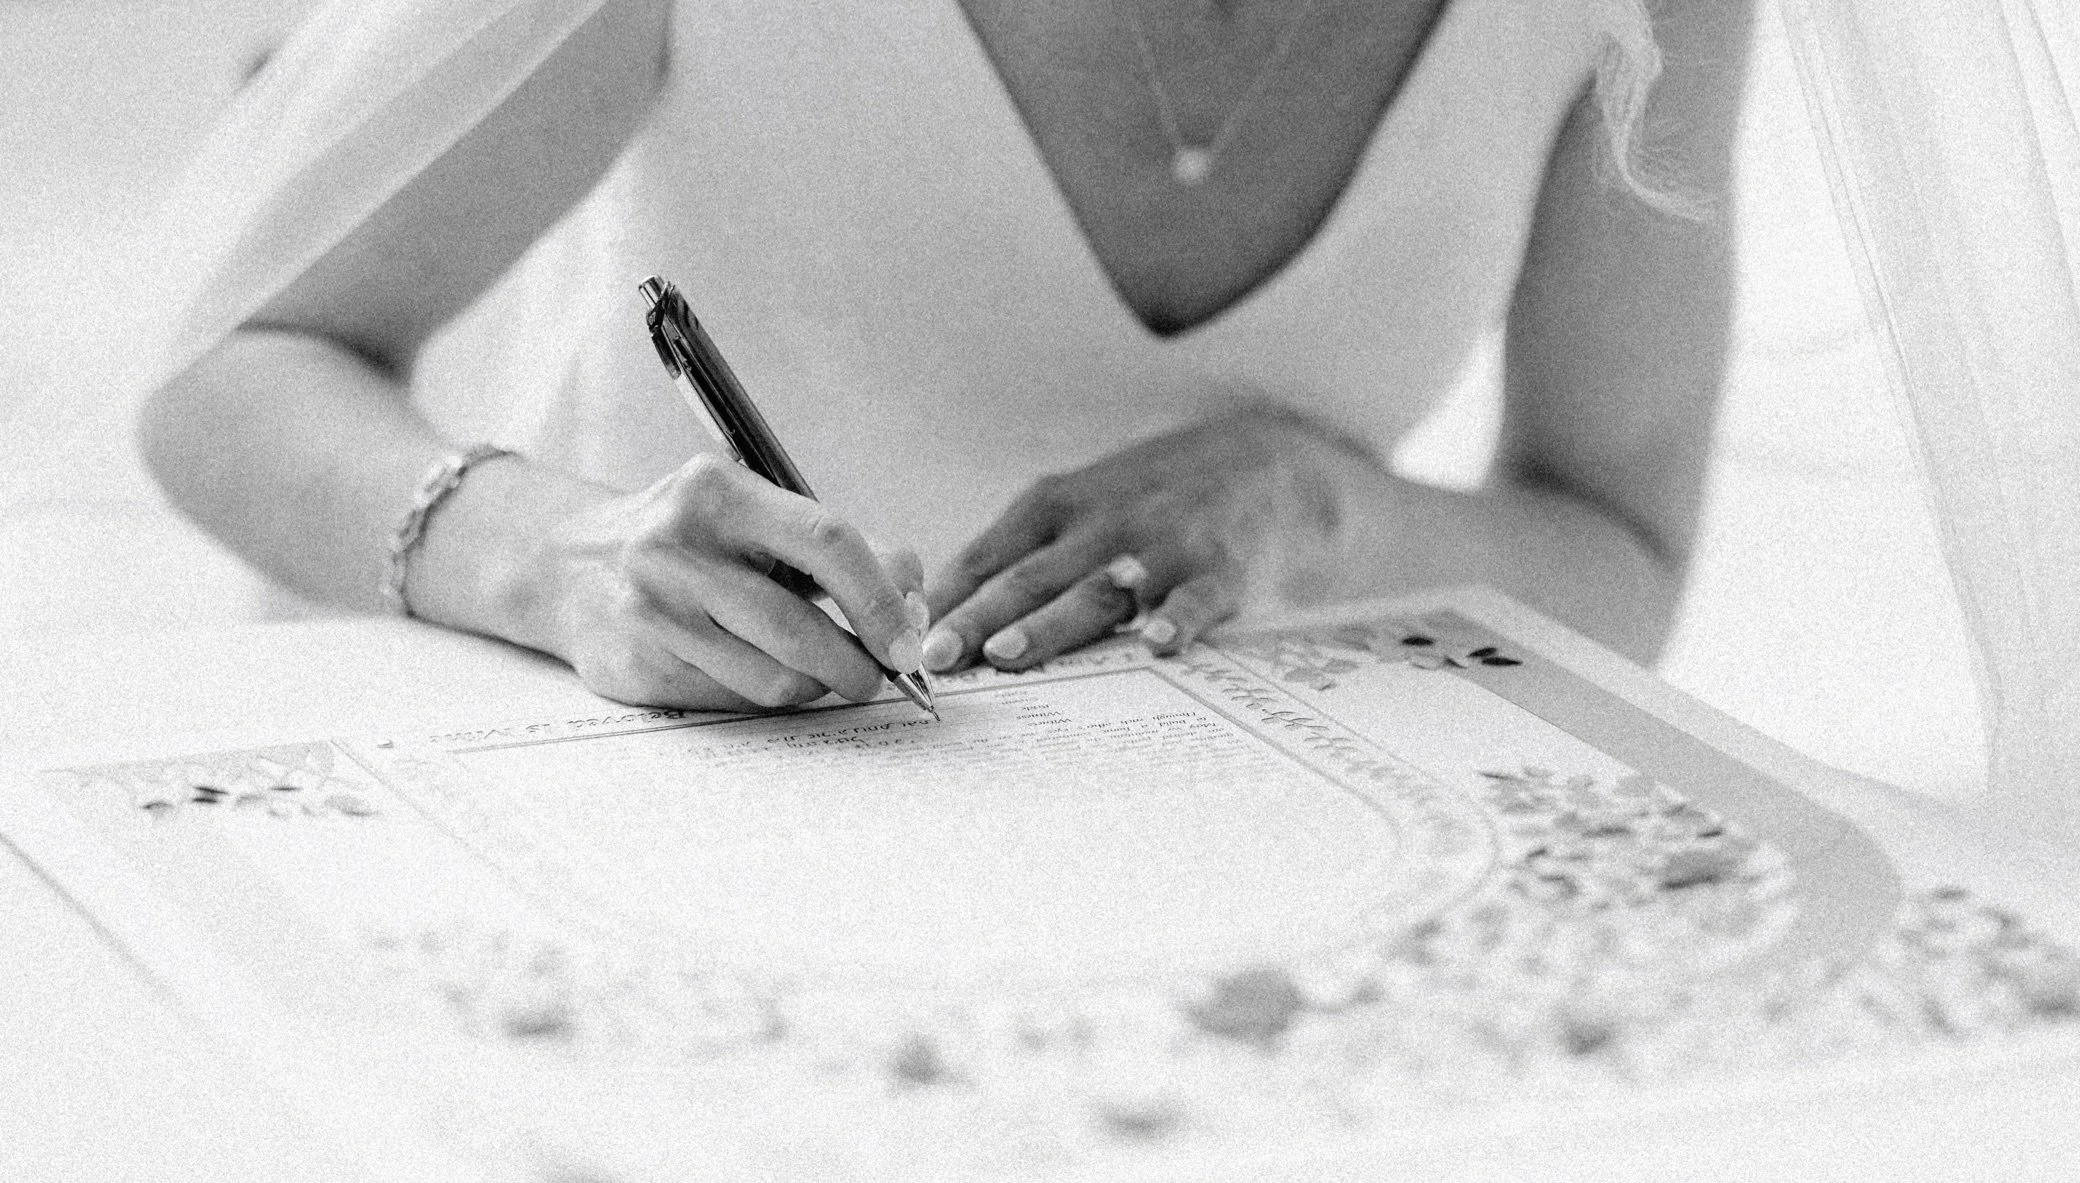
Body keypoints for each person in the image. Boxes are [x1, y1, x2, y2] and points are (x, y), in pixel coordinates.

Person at [138, 0, 1753, 715]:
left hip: (1245, 848)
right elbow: (228, 366)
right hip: (661, 763)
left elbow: (1621, 549)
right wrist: (556, 560)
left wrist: (1325, 510)